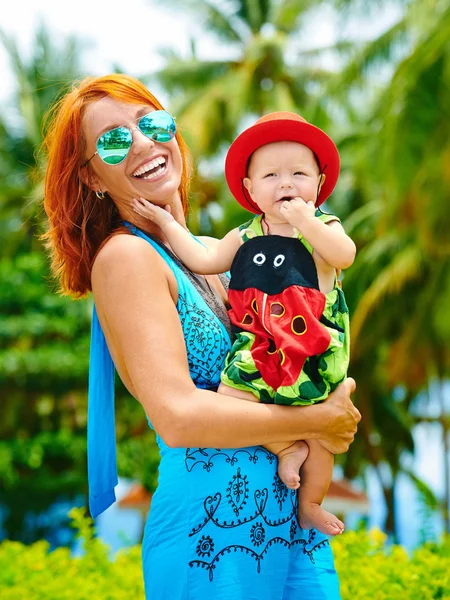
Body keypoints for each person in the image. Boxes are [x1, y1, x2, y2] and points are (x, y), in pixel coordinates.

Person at [41, 74, 360, 600]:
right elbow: (179, 417)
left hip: (292, 531)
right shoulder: (127, 258)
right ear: (92, 177)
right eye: (115, 140)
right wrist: (316, 421)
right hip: (209, 540)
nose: (143, 143)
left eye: (152, 124)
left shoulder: (219, 253)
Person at [131, 112, 356, 537]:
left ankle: (310, 502)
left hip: (313, 347)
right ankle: (287, 447)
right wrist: (166, 225)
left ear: (320, 184)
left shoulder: (324, 226)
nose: (286, 184)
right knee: (232, 398)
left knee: (324, 431)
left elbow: (343, 255)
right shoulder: (244, 235)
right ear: (251, 190)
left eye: (299, 173)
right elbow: (201, 259)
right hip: (258, 346)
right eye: (271, 175)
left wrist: (306, 221)